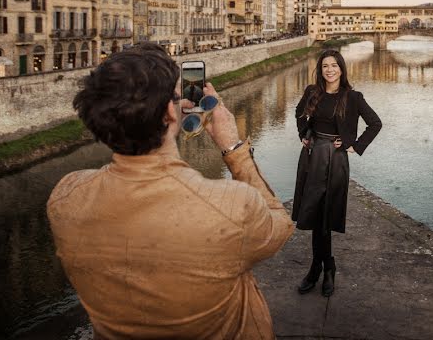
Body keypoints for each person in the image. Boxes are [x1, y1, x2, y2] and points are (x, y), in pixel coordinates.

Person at [47, 42, 294, 339]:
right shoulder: (230, 205)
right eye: (177, 97)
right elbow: (279, 226)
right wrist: (233, 148)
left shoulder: (66, 196)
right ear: (170, 112)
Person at [292, 48, 382, 297]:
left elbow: (375, 124)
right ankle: (321, 267)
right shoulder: (313, 92)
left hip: (335, 159)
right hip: (312, 157)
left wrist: (354, 144)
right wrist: (304, 134)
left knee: (326, 216)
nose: (329, 70)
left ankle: (322, 269)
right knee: (313, 214)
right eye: (325, 66)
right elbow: (300, 114)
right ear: (320, 70)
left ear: (342, 68)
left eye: (334, 65)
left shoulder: (352, 97)